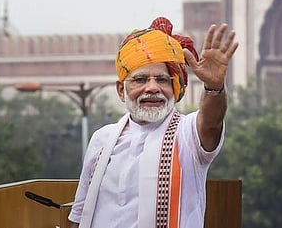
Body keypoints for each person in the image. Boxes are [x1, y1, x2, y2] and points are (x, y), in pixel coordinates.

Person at [67, 17, 238, 228]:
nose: (152, 88)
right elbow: (80, 215)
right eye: (140, 80)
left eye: (162, 80)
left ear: (174, 87)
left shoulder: (187, 134)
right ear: (122, 90)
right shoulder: (102, 139)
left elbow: (211, 122)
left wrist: (214, 87)